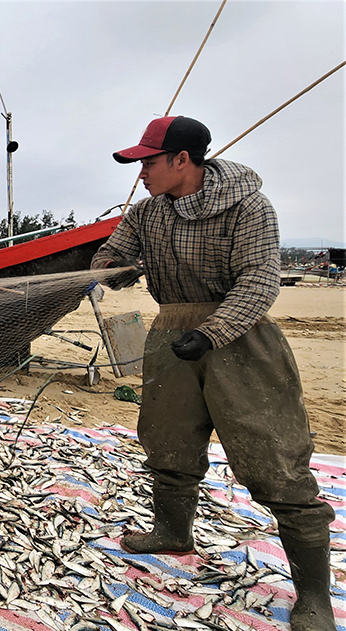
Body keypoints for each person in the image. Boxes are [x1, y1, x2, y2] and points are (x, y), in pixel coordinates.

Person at [91, 116, 335, 631]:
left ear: (182, 160)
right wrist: (111, 268)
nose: (141, 174)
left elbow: (259, 281)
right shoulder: (147, 212)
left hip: (240, 335)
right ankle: (173, 532)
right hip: (170, 331)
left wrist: (211, 333)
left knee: (274, 456)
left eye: (149, 163)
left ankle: (314, 595)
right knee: (167, 440)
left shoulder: (249, 206)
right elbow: (112, 252)